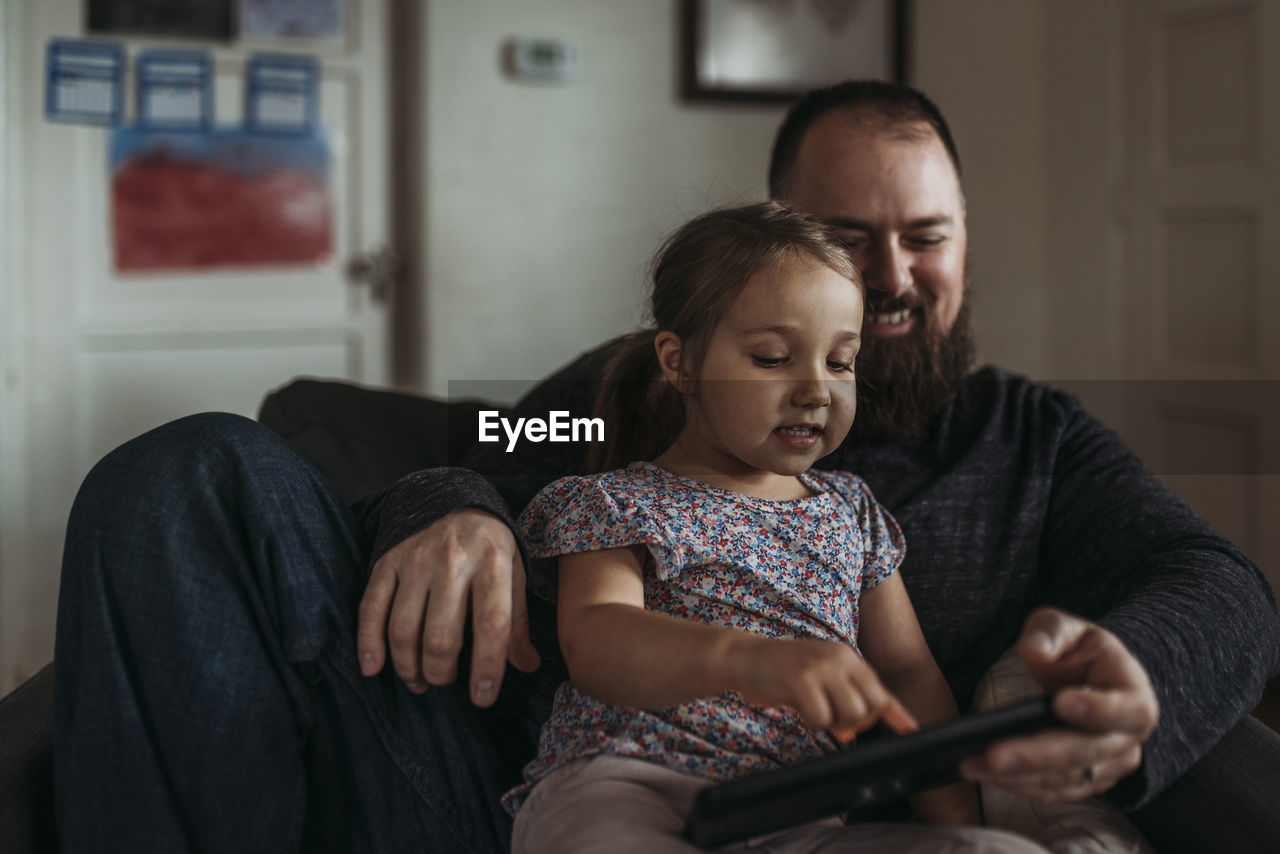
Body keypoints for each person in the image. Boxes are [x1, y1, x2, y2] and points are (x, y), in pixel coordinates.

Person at [52, 80, 1280, 853]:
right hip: (529, 784)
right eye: (850, 240)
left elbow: (1209, 576)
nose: (896, 276)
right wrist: (456, 508)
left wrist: (1141, 682)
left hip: (810, 813)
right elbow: (464, 447)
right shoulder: (628, 395)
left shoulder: (1033, 440)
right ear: (781, 244)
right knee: (188, 469)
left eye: (927, 234)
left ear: (964, 238)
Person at [504, 201, 1034, 852]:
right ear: (679, 363)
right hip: (623, 785)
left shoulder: (851, 513)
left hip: (793, 814)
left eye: (840, 362)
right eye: (773, 358)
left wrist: (956, 826)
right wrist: (747, 658)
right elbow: (597, 640)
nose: (816, 389)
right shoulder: (618, 503)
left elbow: (908, 679)